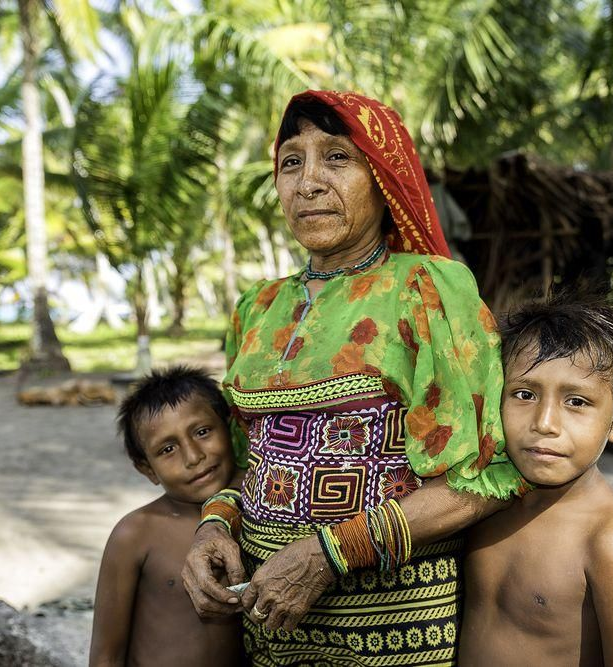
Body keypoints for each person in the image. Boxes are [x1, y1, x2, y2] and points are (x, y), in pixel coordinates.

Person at [181, 90, 525, 666]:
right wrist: (213, 529)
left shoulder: (427, 287)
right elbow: (248, 462)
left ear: (384, 179)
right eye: (291, 161)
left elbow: (485, 477)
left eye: (337, 157)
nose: (308, 182)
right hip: (269, 626)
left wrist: (328, 554)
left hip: (392, 629)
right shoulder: (256, 307)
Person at [460, 296, 613, 666]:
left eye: (577, 402)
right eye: (524, 394)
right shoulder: (478, 501)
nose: (544, 423)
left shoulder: (612, 543)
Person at [90, 366, 243, 666]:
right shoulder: (136, 534)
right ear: (147, 469)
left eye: (202, 432)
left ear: (229, 428)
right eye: (167, 449)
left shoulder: (262, 504)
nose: (194, 456)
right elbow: (106, 655)